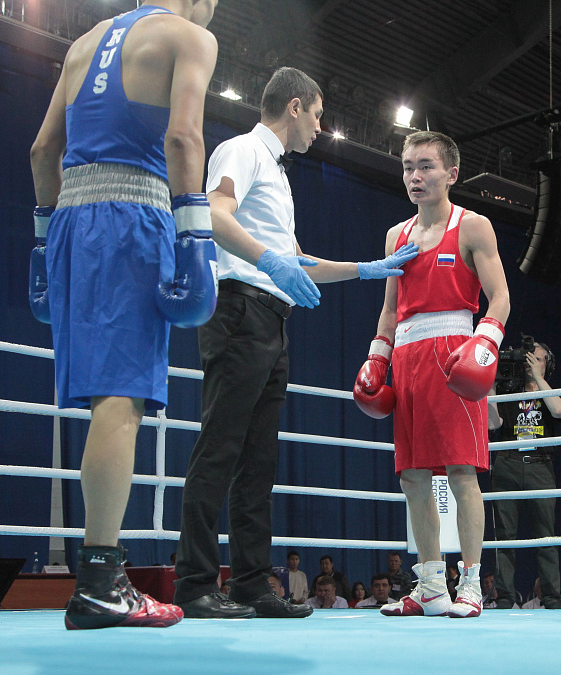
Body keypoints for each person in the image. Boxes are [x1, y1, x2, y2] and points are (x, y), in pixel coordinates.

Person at [175, 66, 413, 619]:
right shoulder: (243, 150)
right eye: (319, 114)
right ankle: (194, 584)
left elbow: (298, 260)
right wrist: (269, 262)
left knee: (258, 461)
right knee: (221, 447)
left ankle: (251, 584)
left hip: (270, 319)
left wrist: (367, 269)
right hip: (240, 308)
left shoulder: (278, 176)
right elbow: (213, 214)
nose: (321, 127)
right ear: (296, 106)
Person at [30, 0, 227, 628]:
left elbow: (42, 150)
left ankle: (99, 576)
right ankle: (99, 581)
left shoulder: (84, 42)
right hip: (132, 220)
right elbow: (182, 137)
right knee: (121, 400)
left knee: (102, 400)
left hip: (69, 223)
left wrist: (43, 243)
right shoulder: (188, 36)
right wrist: (194, 234)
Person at [355, 130, 510, 619]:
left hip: (454, 351)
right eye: (408, 167)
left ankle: (471, 585)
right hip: (407, 355)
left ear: (452, 174)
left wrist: (485, 342)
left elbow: (500, 297)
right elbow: (390, 308)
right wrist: (378, 356)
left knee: (462, 471)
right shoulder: (395, 235)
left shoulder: (473, 226)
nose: (414, 176)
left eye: (425, 166)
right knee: (413, 476)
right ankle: (430, 586)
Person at [487, 340, 561, 610]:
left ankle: (552, 597)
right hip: (508, 463)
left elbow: (559, 410)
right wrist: (491, 385)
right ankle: (505, 597)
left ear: (547, 365)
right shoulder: (508, 389)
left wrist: (539, 380)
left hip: (540, 466)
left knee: (546, 535)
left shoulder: (549, 392)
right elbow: (493, 424)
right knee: (505, 535)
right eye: (529, 358)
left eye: (538, 359)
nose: (532, 363)